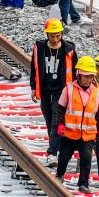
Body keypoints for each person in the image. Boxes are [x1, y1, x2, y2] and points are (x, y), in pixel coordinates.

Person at [29, 18, 78, 167]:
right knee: (50, 121)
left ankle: (52, 153)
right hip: (44, 89)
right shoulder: (40, 47)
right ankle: (60, 145)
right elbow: (34, 67)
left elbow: (75, 71)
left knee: (57, 121)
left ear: (62, 33)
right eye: (52, 35)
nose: (55, 39)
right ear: (47, 35)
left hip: (61, 90)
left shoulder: (69, 50)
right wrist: (33, 87)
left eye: (58, 35)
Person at [54, 56, 99, 192]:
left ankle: (83, 184)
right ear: (79, 75)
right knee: (64, 157)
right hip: (70, 133)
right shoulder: (69, 89)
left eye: (90, 76)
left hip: (87, 135)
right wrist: (60, 124)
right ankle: (59, 175)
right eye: (85, 76)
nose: (88, 79)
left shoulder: (97, 92)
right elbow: (60, 108)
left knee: (86, 159)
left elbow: (98, 113)